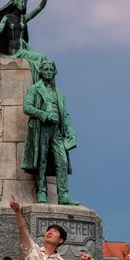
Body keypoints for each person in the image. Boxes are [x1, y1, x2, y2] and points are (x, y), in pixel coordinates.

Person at [21, 60, 79, 205]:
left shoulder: (59, 93)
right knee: (41, 160)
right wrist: (44, 115)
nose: (48, 71)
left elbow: (65, 115)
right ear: (40, 72)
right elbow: (27, 107)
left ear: (54, 72)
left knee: (62, 161)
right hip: (41, 128)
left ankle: (63, 195)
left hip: (57, 130)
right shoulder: (35, 89)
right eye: (45, 69)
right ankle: (42, 192)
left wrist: (71, 131)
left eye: (50, 69)